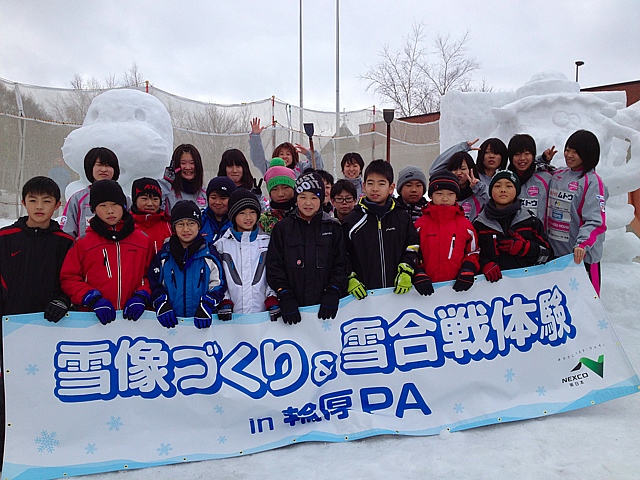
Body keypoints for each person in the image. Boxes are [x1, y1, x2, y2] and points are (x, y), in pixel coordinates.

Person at [60, 180, 155, 325]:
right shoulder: (83, 242)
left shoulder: (143, 240)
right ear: (94, 209)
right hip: (94, 321)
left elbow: (154, 275)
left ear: (123, 206)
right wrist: (91, 298)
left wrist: (142, 296)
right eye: (103, 206)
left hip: (136, 320)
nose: (110, 210)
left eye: (115, 204)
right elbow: (69, 278)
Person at [266, 171, 347, 324]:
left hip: (325, 309)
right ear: (296, 198)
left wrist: (333, 290)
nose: (308, 203)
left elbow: (341, 264)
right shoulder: (283, 228)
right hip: (294, 307)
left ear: (321, 199)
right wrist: (284, 294)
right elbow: (274, 265)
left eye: (314, 198)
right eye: (303, 197)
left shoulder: (333, 228)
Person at [342, 160, 420, 299]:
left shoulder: (401, 217)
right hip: (363, 299)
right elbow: (342, 254)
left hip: (399, 295)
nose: (375, 188)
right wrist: (350, 277)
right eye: (371, 183)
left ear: (391, 188)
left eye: (381, 183)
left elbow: (413, 245)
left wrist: (407, 270)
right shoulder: (352, 220)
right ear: (364, 186)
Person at [0, 176, 74, 321]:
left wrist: (63, 301)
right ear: (24, 203)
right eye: (33, 200)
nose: (39, 206)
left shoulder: (65, 243)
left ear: (57, 205)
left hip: (50, 322)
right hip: (9, 321)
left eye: (46, 201)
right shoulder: (5, 238)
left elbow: (73, 279)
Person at [547, 130, 607, 295]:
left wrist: (582, 245)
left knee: (586, 308)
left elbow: (596, 222)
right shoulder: (558, 175)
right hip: (556, 257)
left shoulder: (593, 182)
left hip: (581, 259)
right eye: (567, 150)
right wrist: (543, 159)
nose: (569, 155)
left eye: (575, 152)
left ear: (587, 154)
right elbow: (535, 171)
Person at [148, 201, 226, 329]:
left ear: (199, 226)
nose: (186, 229)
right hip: (171, 326)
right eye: (180, 224)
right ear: (174, 228)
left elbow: (219, 284)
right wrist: (161, 302)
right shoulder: (164, 256)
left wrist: (207, 303)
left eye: (191, 223)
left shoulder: (209, 254)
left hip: (203, 324)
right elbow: (154, 283)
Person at [473, 170, 552, 283]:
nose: (503, 190)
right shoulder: (479, 224)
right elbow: (470, 254)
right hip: (490, 290)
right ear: (490, 191)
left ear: (516, 191)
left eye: (509, 186)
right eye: (497, 186)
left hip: (527, 287)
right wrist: (484, 265)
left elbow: (548, 256)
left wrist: (526, 248)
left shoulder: (530, 221)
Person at [213, 189, 280, 320]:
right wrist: (224, 300)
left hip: (262, 316)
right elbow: (218, 278)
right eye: (242, 213)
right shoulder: (221, 245)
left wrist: (272, 297)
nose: (248, 218)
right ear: (233, 215)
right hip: (232, 317)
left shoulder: (267, 242)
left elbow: (274, 272)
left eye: (252, 212)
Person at [412, 170, 480, 295]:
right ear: (431, 196)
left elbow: (473, 251)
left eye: (450, 194)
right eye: (439, 193)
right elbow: (412, 252)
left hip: (456, 291)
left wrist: (468, 269)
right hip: (425, 291)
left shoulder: (465, 225)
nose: (444, 198)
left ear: (456, 196)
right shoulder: (420, 225)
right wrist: (418, 272)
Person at [61, 147, 122, 238]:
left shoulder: (124, 199)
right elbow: (67, 234)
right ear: (90, 167)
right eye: (100, 165)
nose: (104, 169)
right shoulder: (77, 199)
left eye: (108, 165)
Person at [429, 140, 489, 222]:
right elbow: (433, 171)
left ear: (471, 169)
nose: (458, 173)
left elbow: (492, 201)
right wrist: (462, 147)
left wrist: (478, 187)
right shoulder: (445, 195)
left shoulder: (478, 193)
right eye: (454, 169)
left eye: (463, 169)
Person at [249, 117, 324, 177]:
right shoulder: (270, 168)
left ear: (293, 156)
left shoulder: (301, 168)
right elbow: (257, 158)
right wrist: (255, 136)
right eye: (281, 154)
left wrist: (309, 153)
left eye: (288, 154)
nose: (284, 157)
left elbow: (317, 168)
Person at [507, 134, 552, 223]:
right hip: (512, 235)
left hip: (539, 235)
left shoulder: (546, 178)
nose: (522, 158)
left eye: (527, 154)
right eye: (517, 154)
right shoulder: (505, 179)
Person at [160, 144, 207, 213]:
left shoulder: (205, 193)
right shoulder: (167, 192)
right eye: (183, 163)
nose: (188, 167)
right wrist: (167, 181)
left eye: (192, 163)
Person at [130, 177, 172, 254]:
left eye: (155, 199)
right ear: (135, 201)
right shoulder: (126, 224)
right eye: (144, 199)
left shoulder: (169, 225)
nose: (150, 203)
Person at [258, 158, 297, 234]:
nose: (280, 194)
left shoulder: (305, 213)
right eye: (274, 189)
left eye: (285, 188)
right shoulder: (265, 221)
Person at [200, 176, 237, 244]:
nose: (217, 202)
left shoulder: (238, 221)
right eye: (213, 198)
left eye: (223, 198)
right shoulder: (200, 219)